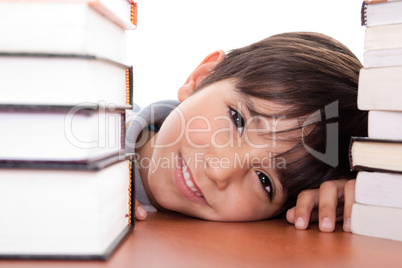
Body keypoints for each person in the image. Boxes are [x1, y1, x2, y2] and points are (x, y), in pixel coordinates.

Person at [125, 32, 367, 233]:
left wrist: (370, 193)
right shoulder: (96, 120)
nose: (220, 170)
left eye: (265, 181)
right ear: (201, 78)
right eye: (237, 120)